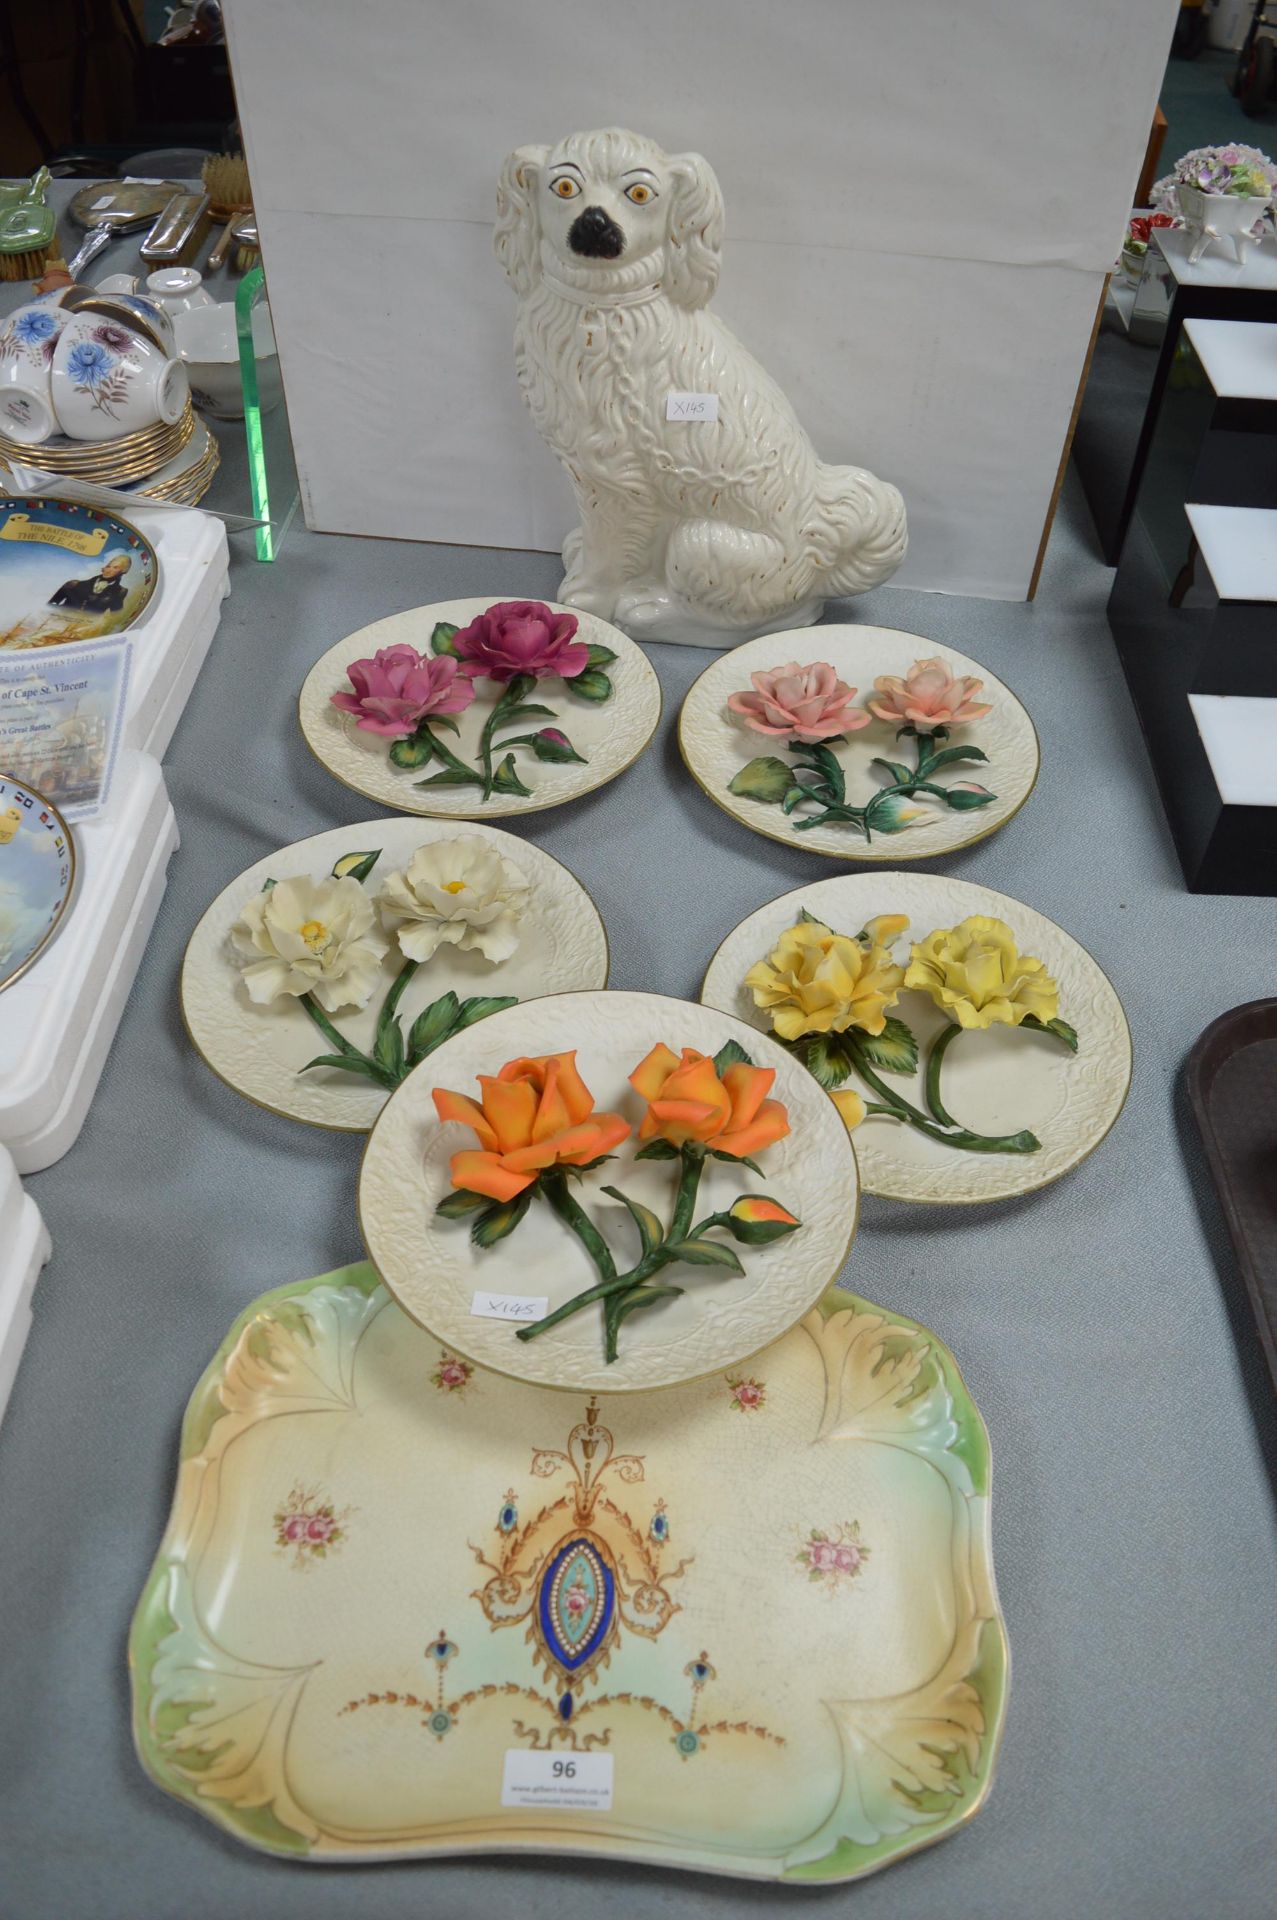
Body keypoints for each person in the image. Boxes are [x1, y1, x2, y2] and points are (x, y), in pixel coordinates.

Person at [48, 552, 130, 615]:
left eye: (115, 567)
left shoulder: (120, 592)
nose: (108, 570)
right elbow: (49, 606)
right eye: (108, 566)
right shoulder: (73, 584)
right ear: (103, 568)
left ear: (123, 571)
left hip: (86, 628)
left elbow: (115, 617)